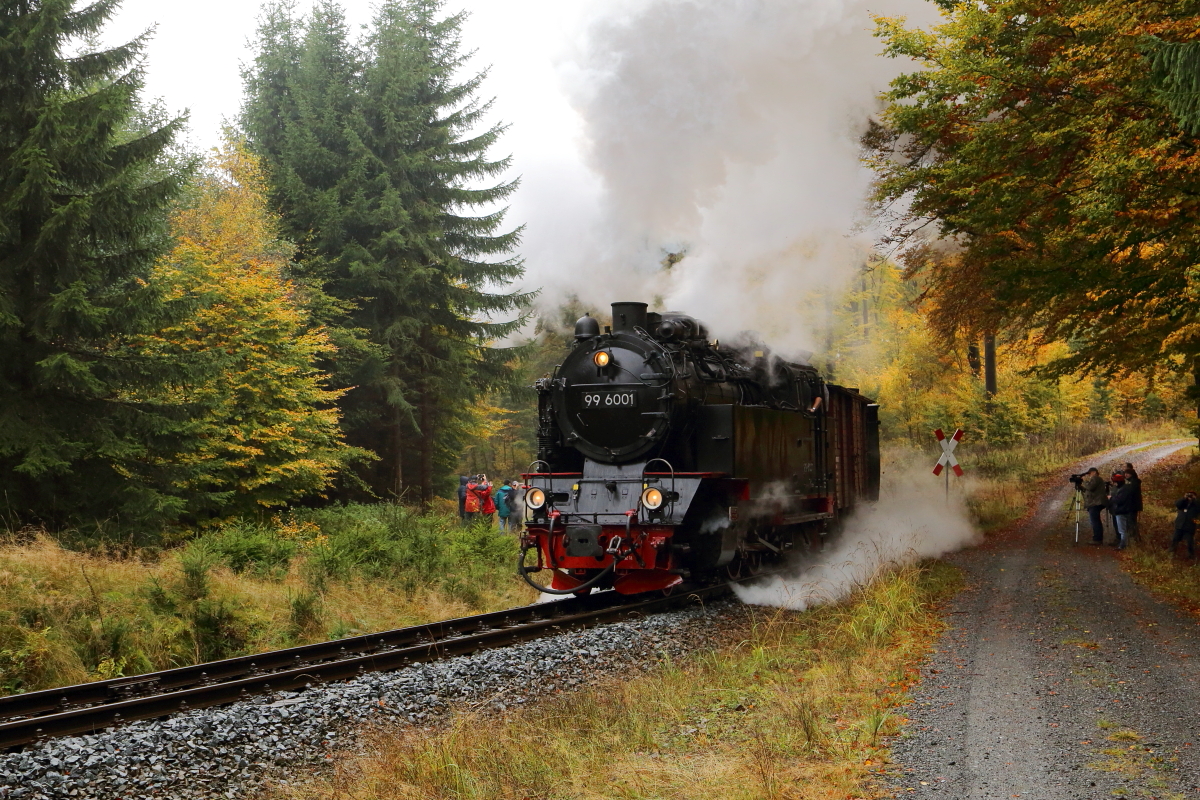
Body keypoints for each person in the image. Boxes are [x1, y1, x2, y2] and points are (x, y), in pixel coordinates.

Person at [1108, 472, 1137, 550]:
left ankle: (1123, 545)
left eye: (1115, 482)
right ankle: (1125, 544)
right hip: (1125, 510)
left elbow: (1119, 500)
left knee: (1122, 530)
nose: (1114, 484)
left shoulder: (1123, 489)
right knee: (1125, 529)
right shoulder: (1126, 488)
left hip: (1122, 511)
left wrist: (1111, 498)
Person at [1080, 468, 1108, 545]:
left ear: (1094, 472)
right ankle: (1097, 538)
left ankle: (1097, 539)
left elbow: (1090, 487)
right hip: (1095, 502)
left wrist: (1084, 481)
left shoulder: (1096, 478)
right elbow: (1089, 489)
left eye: (1090, 473)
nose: (1089, 475)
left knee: (1095, 521)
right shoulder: (1097, 479)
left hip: (1096, 502)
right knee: (1095, 520)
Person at [1169, 491, 1199, 558]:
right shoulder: (1183, 503)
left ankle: (1190, 556)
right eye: (1189, 495)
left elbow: (1198, 508)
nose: (1190, 496)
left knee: (1189, 542)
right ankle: (1171, 553)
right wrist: (1184, 498)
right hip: (1180, 525)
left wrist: (1194, 500)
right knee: (1175, 540)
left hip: (1189, 527)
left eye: (1192, 495)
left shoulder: (1196, 504)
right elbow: (1177, 504)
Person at [1123, 463, 1143, 542]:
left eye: (1128, 474)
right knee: (1130, 522)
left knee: (1131, 522)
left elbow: (1130, 493)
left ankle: (1134, 539)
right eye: (1125, 473)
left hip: (1132, 505)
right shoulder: (1131, 482)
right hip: (1131, 505)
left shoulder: (1134, 482)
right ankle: (1133, 538)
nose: (1126, 475)